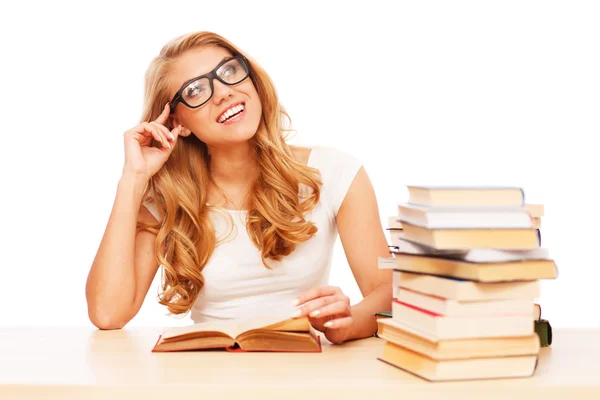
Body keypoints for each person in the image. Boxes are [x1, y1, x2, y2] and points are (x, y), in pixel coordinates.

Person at [85, 31, 392, 344]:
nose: (223, 93)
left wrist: (349, 322)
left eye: (229, 71)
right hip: (209, 377)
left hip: (304, 374)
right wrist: (133, 179)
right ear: (179, 123)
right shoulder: (169, 200)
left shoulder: (334, 172)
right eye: (195, 90)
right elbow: (108, 314)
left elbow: (388, 293)